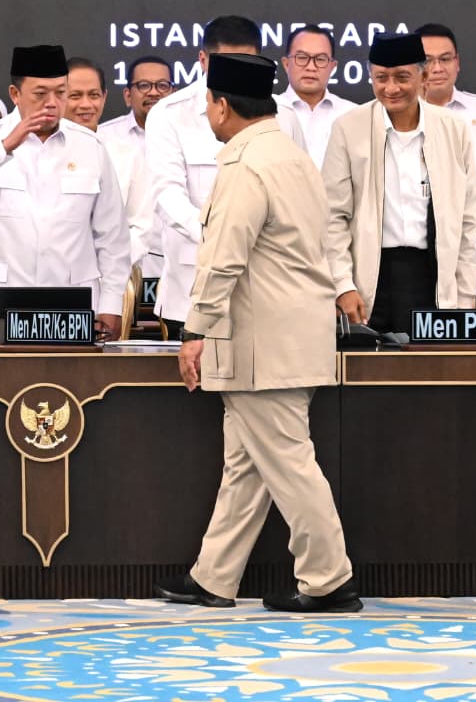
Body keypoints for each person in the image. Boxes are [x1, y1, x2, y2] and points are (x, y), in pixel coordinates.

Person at [154, 52, 358, 613]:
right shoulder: (290, 155)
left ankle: (330, 579)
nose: (208, 115)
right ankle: (214, 577)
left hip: (259, 342)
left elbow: (222, 259)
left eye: (208, 105)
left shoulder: (245, 165)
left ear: (223, 106)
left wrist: (194, 329)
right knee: (247, 465)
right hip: (287, 336)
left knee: (288, 462)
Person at [0, 45, 131, 330]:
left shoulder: (90, 146)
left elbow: (113, 237)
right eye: (40, 94)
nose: (52, 102)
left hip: (71, 303)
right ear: (15, 95)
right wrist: (3, 148)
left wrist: (111, 305)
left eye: (61, 92)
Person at [145, 15, 305, 339]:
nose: (236, 73)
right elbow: (167, 194)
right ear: (203, 60)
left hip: (268, 288)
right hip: (192, 290)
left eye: (246, 62)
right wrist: (219, 235)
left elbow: (296, 197)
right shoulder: (169, 114)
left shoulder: (284, 116)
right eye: (225, 63)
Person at [322, 33, 476, 333]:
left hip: (432, 275)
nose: (391, 88)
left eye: (402, 77)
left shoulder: (453, 129)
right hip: (371, 277)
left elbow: (468, 221)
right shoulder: (348, 128)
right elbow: (332, 217)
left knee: (433, 373)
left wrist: (465, 296)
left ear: (422, 76)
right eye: (381, 78)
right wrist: (343, 284)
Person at [64, 56, 154, 271]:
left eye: (93, 95)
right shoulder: (40, 153)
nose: (86, 104)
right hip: (52, 280)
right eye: (75, 96)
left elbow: (141, 226)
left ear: (104, 97)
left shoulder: (127, 155)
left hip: (112, 280)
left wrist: (108, 265)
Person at [99, 55, 173, 277]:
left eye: (162, 85)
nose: (154, 92)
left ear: (173, 93)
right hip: (121, 265)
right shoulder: (103, 137)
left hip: (176, 264)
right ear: (128, 95)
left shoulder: (191, 139)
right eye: (143, 85)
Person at [277, 25, 357, 168]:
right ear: (286, 63)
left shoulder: (352, 114)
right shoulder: (268, 113)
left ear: (332, 66)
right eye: (302, 58)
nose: (311, 67)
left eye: (320, 59)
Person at [414, 23, 476, 127]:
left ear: (457, 62)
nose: (438, 69)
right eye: (427, 61)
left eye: (445, 59)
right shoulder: (398, 115)